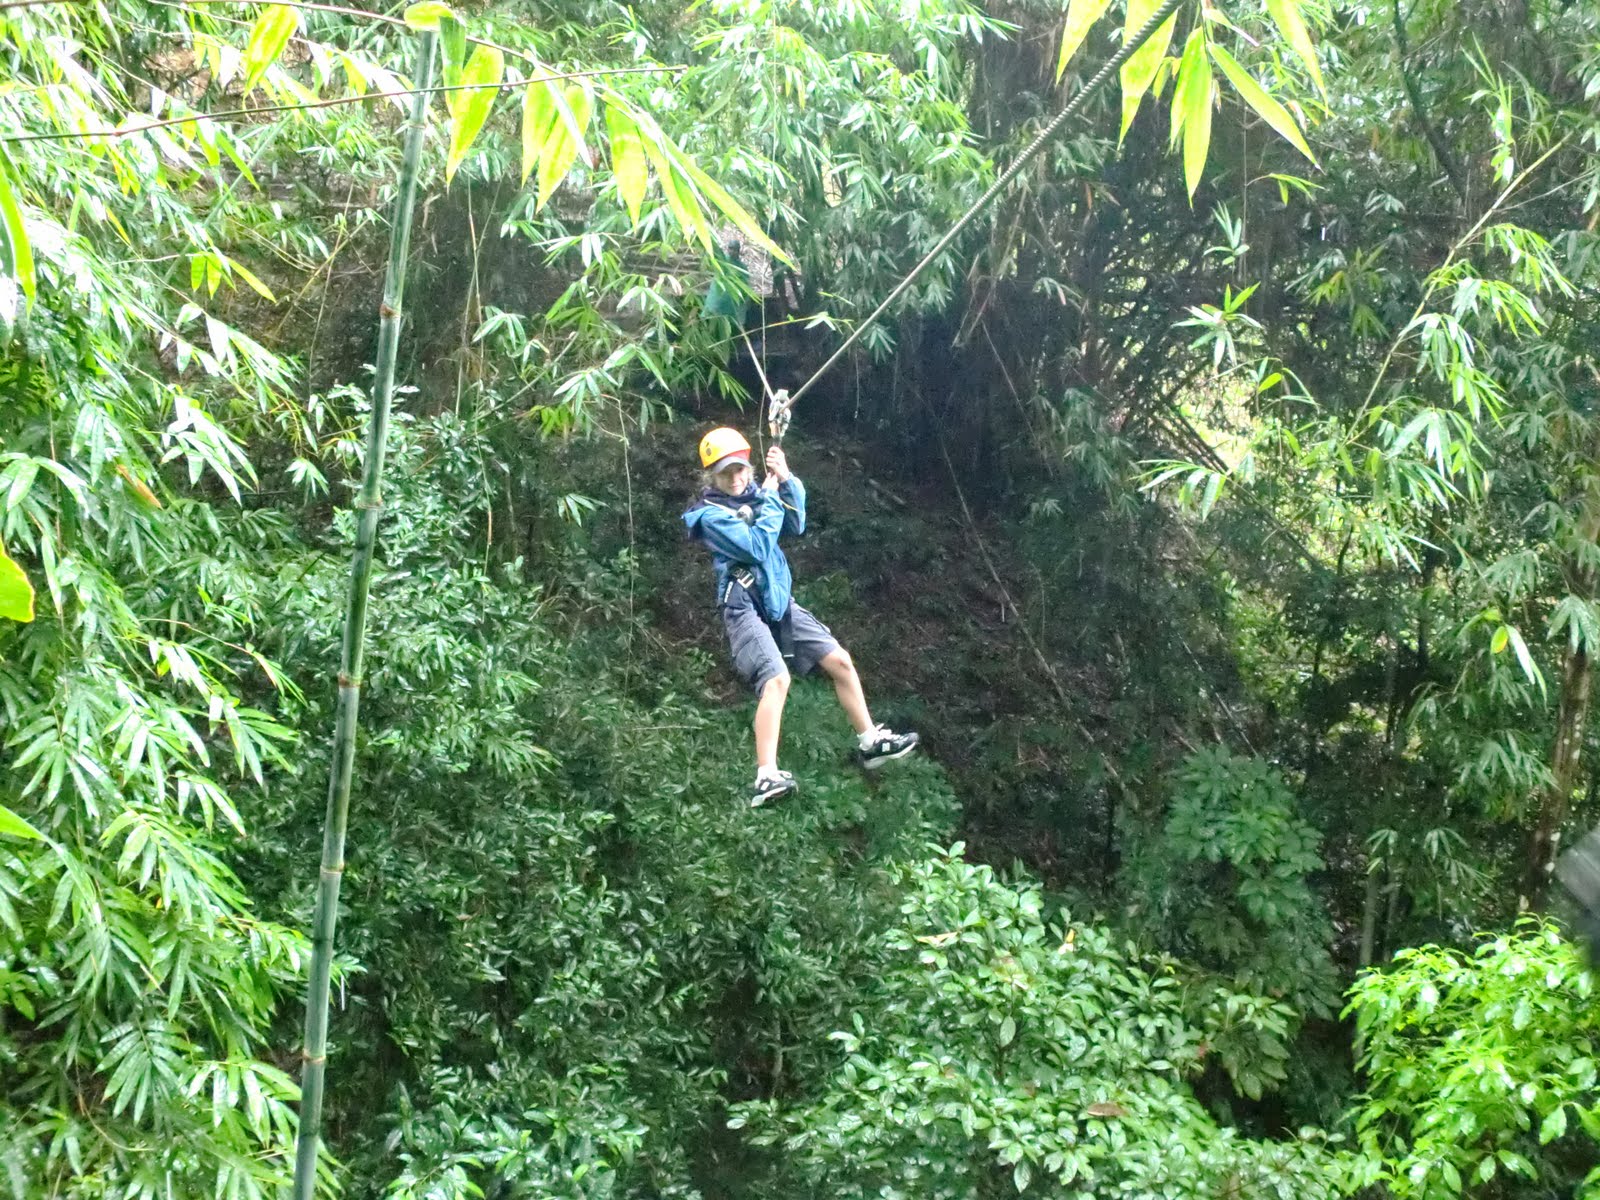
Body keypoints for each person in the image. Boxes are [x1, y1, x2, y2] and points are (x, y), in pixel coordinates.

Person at [683, 427, 919, 806]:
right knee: (776, 679)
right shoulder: (710, 516)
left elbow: (796, 524)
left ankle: (870, 741)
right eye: (727, 473)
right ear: (712, 476)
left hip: (777, 599)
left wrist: (787, 480)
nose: (737, 478)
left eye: (741, 469)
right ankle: (765, 776)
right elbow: (758, 547)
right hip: (742, 605)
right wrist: (773, 498)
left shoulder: (759, 496)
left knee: (840, 661)